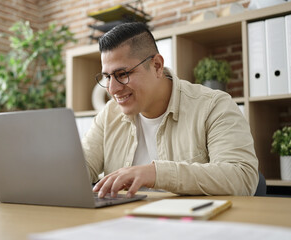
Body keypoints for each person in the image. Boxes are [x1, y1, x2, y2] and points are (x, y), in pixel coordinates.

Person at [82, 22, 258, 198]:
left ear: (157, 66)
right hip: (122, 221)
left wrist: (156, 173)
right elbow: (81, 168)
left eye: (122, 74)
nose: (112, 89)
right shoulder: (109, 114)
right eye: (107, 77)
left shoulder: (213, 106)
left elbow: (242, 178)